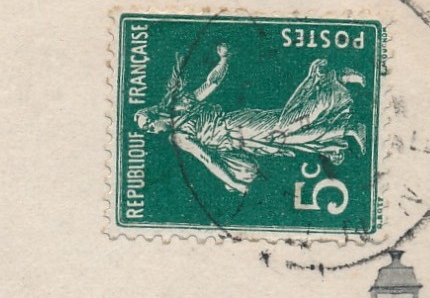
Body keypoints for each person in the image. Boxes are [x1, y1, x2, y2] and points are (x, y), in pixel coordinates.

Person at [134, 45, 367, 195]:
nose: (151, 130)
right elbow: (211, 158)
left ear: (157, 114)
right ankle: (340, 113)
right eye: (147, 130)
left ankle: (337, 92)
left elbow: (208, 158)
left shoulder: (181, 122)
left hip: (238, 126)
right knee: (290, 135)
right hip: (241, 140)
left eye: (149, 124)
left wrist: (223, 60)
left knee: (286, 128)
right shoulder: (178, 127)